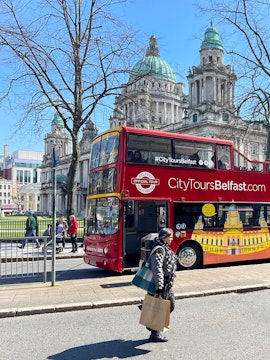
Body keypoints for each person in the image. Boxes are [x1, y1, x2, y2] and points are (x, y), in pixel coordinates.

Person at [147, 228, 177, 342]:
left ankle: (153, 327)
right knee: (160, 307)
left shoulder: (165, 247)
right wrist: (159, 287)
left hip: (167, 284)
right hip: (161, 285)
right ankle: (155, 333)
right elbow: (157, 268)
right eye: (170, 237)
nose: (172, 239)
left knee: (168, 306)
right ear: (164, 237)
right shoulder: (159, 249)